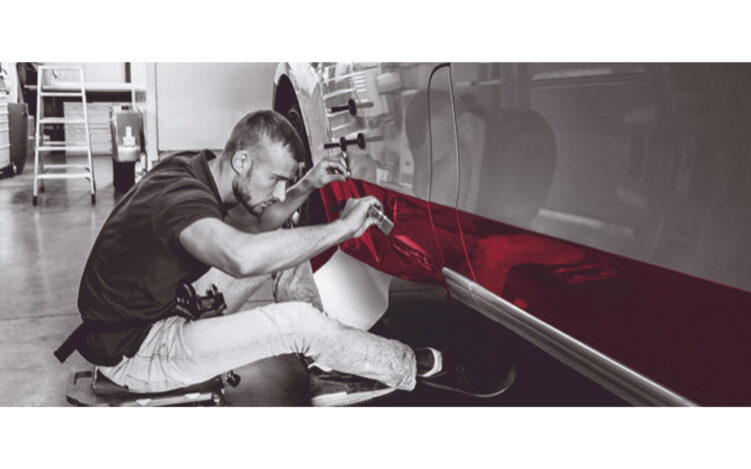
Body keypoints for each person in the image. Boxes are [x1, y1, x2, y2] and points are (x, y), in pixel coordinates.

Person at [55, 110, 514, 405]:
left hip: (167, 308)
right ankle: (418, 365)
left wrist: (306, 185)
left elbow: (259, 227)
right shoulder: (181, 202)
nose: (278, 193)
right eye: (274, 179)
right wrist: (341, 228)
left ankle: (325, 363)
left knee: (284, 242)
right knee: (296, 322)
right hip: (139, 351)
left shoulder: (193, 170)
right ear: (241, 162)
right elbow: (239, 256)